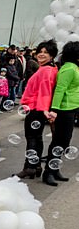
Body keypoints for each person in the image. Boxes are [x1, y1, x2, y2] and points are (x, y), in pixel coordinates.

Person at [15, 40, 59, 180]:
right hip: (37, 107)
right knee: (36, 137)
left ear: (52, 56)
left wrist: (44, 109)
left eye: (46, 52)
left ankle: (30, 167)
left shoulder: (46, 70)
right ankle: (36, 166)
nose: (41, 54)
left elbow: (45, 92)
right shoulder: (49, 68)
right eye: (40, 51)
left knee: (32, 138)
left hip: (36, 108)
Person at [43, 41, 79, 186]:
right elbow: (60, 89)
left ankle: (55, 168)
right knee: (59, 141)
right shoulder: (68, 69)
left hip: (72, 108)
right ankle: (48, 172)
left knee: (64, 141)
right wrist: (54, 110)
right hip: (64, 109)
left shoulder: (74, 67)